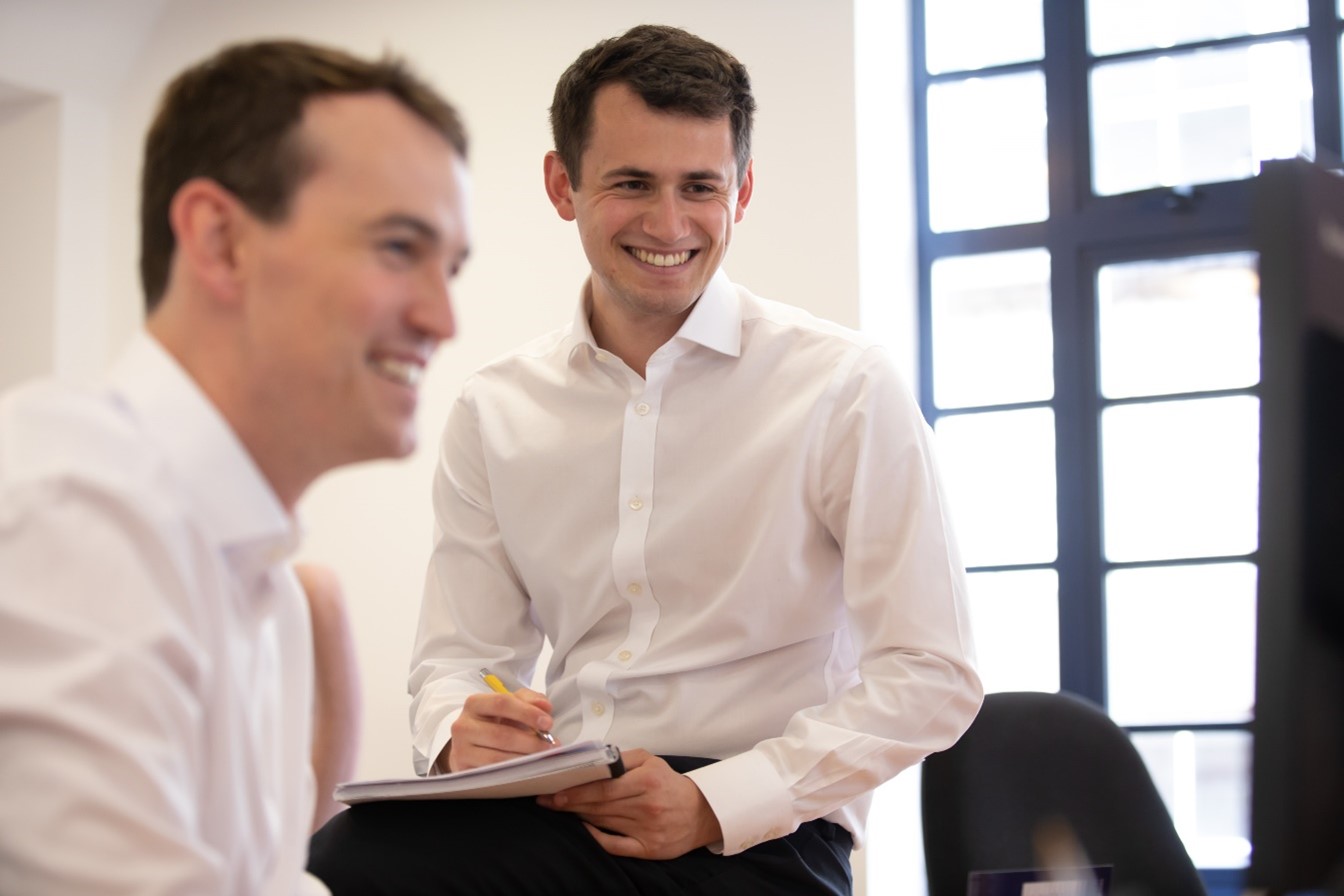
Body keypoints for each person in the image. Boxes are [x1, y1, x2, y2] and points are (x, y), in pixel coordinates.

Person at [307, 23, 981, 896]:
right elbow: (457, 658)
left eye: (700, 186)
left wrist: (712, 802)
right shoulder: (494, 410)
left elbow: (933, 673)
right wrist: (457, 731)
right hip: (563, 806)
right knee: (343, 863)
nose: (669, 225)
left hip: (763, 836)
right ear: (563, 184)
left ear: (741, 192)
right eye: (631, 183)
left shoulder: (844, 386)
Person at [0, 39, 470, 895]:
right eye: (400, 248)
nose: (444, 318)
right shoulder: (74, 520)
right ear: (220, 241)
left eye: (452, 266)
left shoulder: (262, 588)